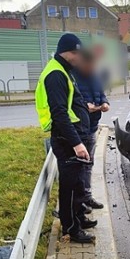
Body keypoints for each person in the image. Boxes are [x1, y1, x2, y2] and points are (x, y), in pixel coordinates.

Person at [35, 33, 97, 244]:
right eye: (78, 54)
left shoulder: (64, 70)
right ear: (69, 53)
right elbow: (59, 113)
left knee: (78, 183)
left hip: (73, 136)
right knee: (70, 188)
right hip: (67, 139)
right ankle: (71, 229)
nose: (81, 59)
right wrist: (77, 143)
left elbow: (69, 104)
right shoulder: (56, 74)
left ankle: (78, 218)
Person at [72, 49, 109, 210]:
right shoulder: (73, 77)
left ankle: (87, 196)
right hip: (79, 128)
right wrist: (86, 107)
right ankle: (79, 201)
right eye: (90, 65)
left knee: (89, 164)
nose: (93, 68)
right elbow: (73, 102)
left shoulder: (94, 75)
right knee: (79, 166)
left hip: (92, 126)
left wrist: (104, 102)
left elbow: (100, 93)